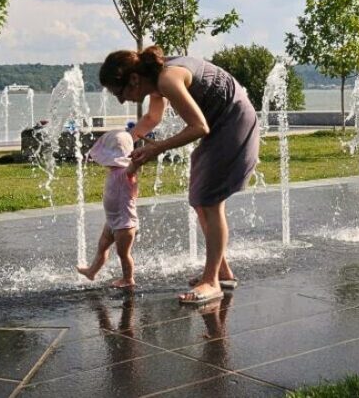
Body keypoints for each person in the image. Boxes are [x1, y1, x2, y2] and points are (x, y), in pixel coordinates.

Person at [99, 46, 259, 305]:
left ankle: (212, 282)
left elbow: (198, 127)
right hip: (221, 124)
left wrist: (156, 148)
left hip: (233, 122)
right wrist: (125, 142)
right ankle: (221, 272)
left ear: (134, 80)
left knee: (210, 201)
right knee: (199, 200)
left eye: (119, 93)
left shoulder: (167, 78)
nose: (120, 100)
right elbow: (152, 118)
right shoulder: (156, 79)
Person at [76, 130, 140, 288]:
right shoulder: (114, 171)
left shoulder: (126, 172)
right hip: (112, 221)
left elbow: (133, 168)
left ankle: (128, 279)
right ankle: (92, 271)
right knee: (102, 246)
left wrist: (138, 160)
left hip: (125, 224)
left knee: (123, 254)